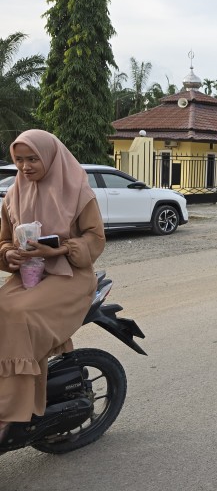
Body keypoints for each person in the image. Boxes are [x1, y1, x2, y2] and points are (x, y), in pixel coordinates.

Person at [0, 130, 105, 441]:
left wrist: (57, 250)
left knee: (17, 316)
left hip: (69, 277)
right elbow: (4, 240)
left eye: (32, 158)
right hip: (29, 276)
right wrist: (9, 255)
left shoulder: (78, 192)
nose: (25, 167)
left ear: (49, 156)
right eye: (19, 160)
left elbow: (95, 240)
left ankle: (7, 414)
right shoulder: (12, 195)